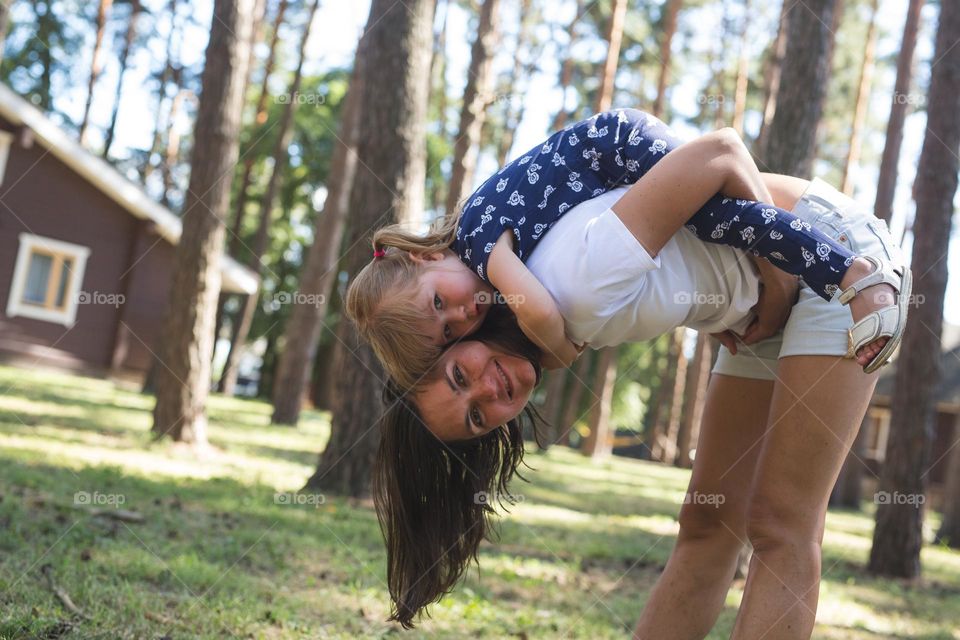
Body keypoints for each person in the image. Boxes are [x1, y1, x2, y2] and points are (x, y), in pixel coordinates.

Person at [376, 172, 911, 637]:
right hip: (764, 299)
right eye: (475, 416)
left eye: (457, 375)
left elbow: (715, 152)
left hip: (835, 259)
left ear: (455, 340)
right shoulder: (527, 311)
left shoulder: (561, 286)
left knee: (782, 525)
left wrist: (775, 271)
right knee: (707, 522)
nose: (486, 392)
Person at [346, 109, 907, 394]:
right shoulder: (473, 244)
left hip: (615, 146)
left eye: (440, 303)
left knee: (718, 218)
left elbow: (540, 313)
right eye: (448, 333)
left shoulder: (477, 243)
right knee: (709, 224)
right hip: (610, 153)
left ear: (421, 258)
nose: (462, 315)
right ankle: (830, 271)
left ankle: (851, 273)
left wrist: (562, 351)